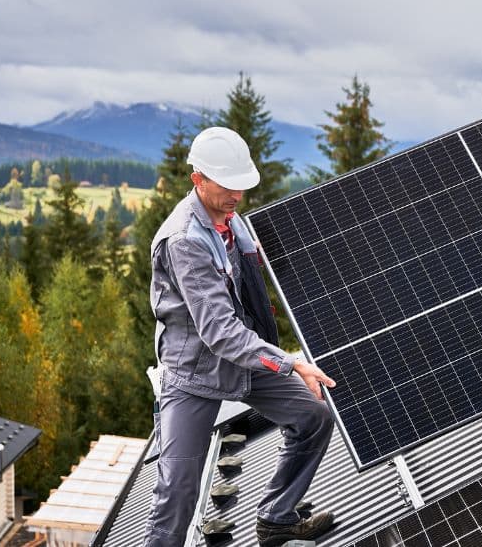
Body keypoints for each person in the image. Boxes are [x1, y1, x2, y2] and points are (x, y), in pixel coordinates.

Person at [144, 127, 338, 547]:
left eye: (241, 185)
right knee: (177, 490)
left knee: (314, 416)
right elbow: (220, 332)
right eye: (226, 185)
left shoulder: (233, 223)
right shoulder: (185, 241)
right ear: (198, 179)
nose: (236, 195)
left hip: (243, 360)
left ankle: (276, 518)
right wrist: (290, 362)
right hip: (194, 374)